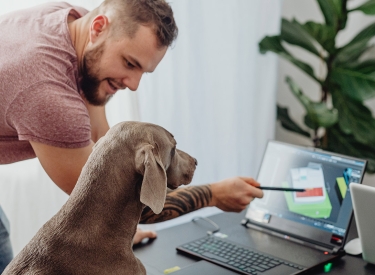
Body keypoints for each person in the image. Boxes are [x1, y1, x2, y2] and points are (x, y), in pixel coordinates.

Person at [0, 0, 264, 272]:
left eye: (143, 71)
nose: (134, 84)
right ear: (99, 28)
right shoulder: (48, 93)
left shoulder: (71, 22)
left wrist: (115, 232)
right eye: (129, 63)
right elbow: (107, 194)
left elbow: (105, 146)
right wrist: (215, 195)